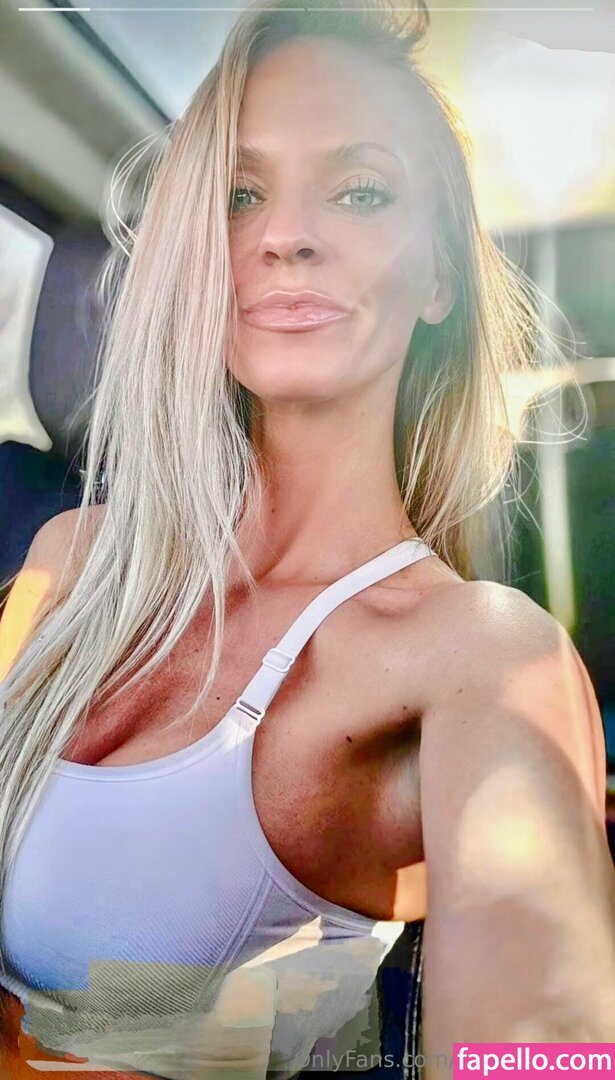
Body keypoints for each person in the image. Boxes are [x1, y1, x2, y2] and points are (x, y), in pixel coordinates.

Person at [1, 0, 614, 1077]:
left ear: (438, 279)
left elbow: (538, 1053)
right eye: (240, 195)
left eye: (361, 190)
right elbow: (93, 1005)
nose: (284, 235)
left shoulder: (479, 655)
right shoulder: (70, 560)